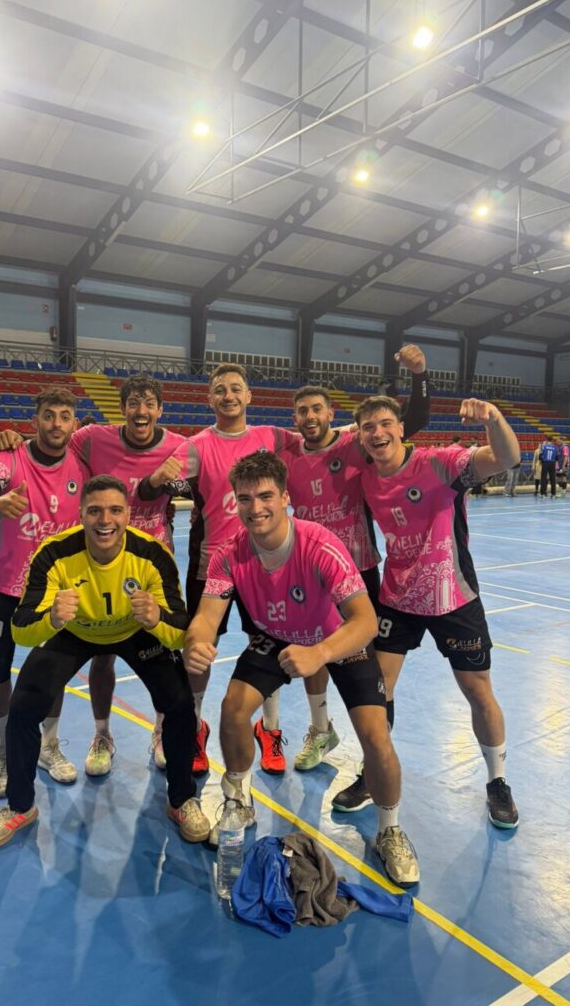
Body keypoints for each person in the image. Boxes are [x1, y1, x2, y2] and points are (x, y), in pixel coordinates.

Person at [142, 354, 430, 777]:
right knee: (202, 646)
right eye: (220, 389)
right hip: (217, 563)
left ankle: (273, 731)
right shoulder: (196, 445)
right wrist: (153, 479)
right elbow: (153, 490)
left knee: (282, 641)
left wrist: (414, 384)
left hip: (282, 563)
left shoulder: (274, 437)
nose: (228, 396)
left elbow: (355, 432)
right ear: (209, 398)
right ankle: (191, 727)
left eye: (236, 388)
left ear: (249, 396)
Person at [182, 451, 420, 888]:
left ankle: (390, 829)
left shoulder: (320, 544)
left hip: (335, 641)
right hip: (274, 636)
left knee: (375, 733)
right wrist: (195, 642)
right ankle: (238, 799)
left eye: (266, 496)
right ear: (235, 502)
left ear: (286, 497)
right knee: (234, 708)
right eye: (245, 498)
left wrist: (320, 653)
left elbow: (365, 622)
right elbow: (206, 617)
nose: (256, 508)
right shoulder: (228, 553)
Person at [0, 475, 209, 850]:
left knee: (180, 704)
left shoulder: (153, 554)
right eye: (95, 510)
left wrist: (157, 621)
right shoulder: (53, 553)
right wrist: (52, 619)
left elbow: (181, 632)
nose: (106, 520)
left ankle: (182, 799)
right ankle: (20, 806)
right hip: (74, 631)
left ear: (128, 514)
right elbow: (21, 630)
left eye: (115, 510)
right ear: (80, 514)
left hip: (137, 632)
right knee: (22, 707)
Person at [334, 395, 519, 829]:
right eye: (367, 427)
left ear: (401, 427)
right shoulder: (364, 477)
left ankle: (498, 782)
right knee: (377, 691)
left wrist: (493, 417)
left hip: (453, 596)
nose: (377, 433)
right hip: (398, 598)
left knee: (477, 690)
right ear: (360, 435)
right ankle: (372, 773)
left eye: (384, 423)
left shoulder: (441, 463)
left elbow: (507, 457)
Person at [0, 374, 188, 777]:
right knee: (102, 655)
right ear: (122, 408)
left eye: (149, 403)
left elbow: (209, 474)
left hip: (153, 563)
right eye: (133, 402)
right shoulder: (91, 437)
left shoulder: (180, 446)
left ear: (160, 409)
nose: (141, 411)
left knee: (164, 659)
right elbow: (52, 444)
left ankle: (161, 732)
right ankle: (102, 734)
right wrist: (13, 441)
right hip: (100, 559)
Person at [281, 344, 430, 770]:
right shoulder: (287, 457)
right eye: (302, 411)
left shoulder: (354, 445)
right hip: (313, 573)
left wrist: (419, 375)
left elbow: (413, 422)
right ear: (295, 419)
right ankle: (321, 727)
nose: (310, 417)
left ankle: (374, 760)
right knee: (315, 653)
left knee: (370, 669)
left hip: (361, 571)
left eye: (317, 409)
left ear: (330, 414)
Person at [0, 387, 89, 798]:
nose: (56, 424)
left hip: (54, 591)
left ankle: (48, 746)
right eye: (49, 415)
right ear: (35, 420)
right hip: (2, 586)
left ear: (74, 423)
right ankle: (2, 751)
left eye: (65, 416)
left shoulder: (81, 464)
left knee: (53, 672)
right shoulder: (6, 459)